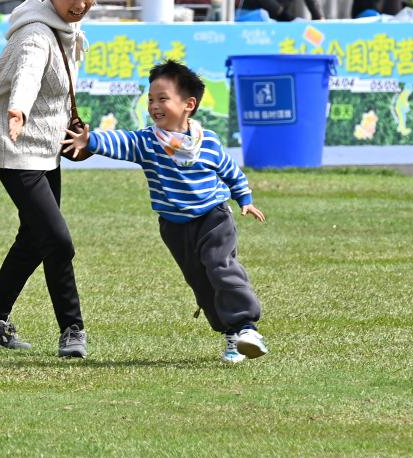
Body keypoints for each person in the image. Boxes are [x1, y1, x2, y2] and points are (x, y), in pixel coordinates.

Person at [61, 60, 268, 363]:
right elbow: (120, 140)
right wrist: (89, 140)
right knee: (200, 281)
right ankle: (230, 334)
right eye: (150, 100)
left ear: (189, 104)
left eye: (163, 99)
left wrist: (244, 198)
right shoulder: (147, 142)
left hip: (213, 218)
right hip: (175, 227)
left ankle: (247, 327)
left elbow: (230, 171)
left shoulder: (207, 141)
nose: (154, 106)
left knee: (220, 265)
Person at [0, 0, 100, 359]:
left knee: (35, 236)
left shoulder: (66, 28)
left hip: (45, 146)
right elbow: (27, 72)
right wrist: (19, 109)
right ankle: (72, 329)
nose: (80, 5)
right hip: (15, 144)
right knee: (57, 240)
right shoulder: (36, 34)